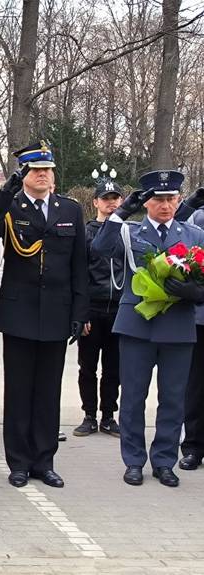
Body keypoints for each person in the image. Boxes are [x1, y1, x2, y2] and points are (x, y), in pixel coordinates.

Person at [0, 140, 88, 489]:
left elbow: (79, 265)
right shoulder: (11, 206)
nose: (43, 176)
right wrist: (2, 197)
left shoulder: (69, 210)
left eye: (47, 170)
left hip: (56, 313)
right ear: (25, 174)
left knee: (48, 392)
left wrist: (79, 310)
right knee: (20, 390)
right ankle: (19, 462)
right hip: (20, 312)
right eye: (36, 170)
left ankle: (44, 460)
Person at [91, 171, 204, 487]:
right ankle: (134, 461)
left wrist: (196, 292)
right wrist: (121, 212)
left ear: (179, 200)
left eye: (171, 199)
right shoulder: (130, 231)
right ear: (147, 202)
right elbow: (99, 249)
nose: (165, 205)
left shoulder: (193, 234)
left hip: (179, 324)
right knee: (133, 397)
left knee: (173, 398)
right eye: (158, 199)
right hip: (137, 324)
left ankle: (165, 461)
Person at [74, 172, 124, 437]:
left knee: (114, 367)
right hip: (93, 308)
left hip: (118, 309)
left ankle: (108, 415)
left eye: (115, 198)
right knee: (88, 366)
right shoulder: (85, 232)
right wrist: (81, 314)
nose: (111, 203)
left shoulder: (127, 232)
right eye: (106, 199)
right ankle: (89, 415)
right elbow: (79, 274)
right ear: (95, 202)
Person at [180, 201, 204, 471]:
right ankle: (194, 447)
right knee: (196, 386)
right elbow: (177, 234)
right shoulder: (199, 216)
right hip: (200, 317)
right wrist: (188, 205)